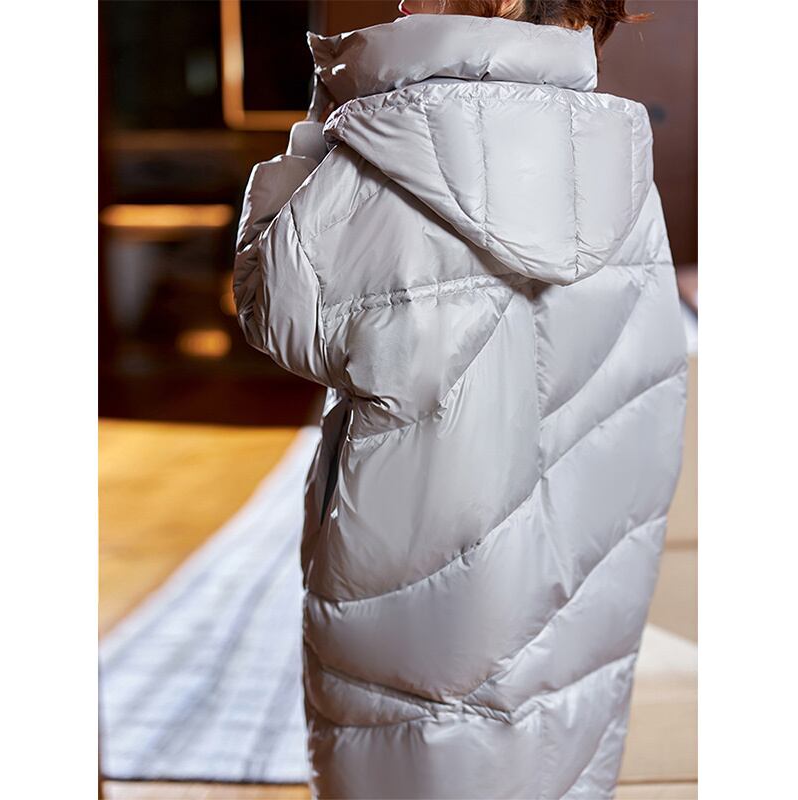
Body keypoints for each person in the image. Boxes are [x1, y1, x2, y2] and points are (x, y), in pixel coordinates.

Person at [234, 1, 686, 797]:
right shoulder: (613, 151)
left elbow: (277, 308)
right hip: (576, 589)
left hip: (422, 597)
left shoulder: (388, 144)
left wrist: (323, 126)